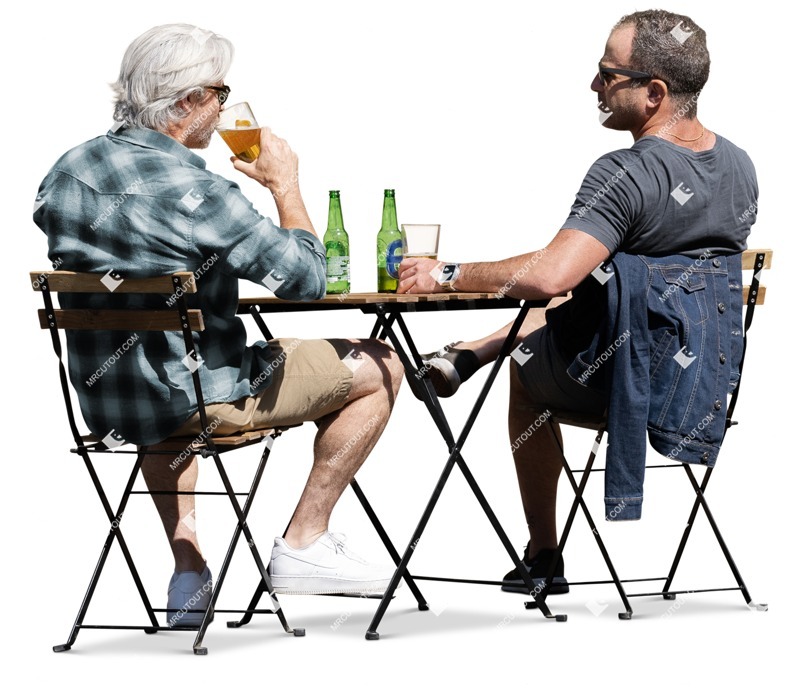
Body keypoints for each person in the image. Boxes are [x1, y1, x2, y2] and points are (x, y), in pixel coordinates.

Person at [33, 24, 404, 625]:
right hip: (202, 397)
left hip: (112, 401)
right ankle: (304, 543)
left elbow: (92, 244)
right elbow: (307, 279)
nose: (225, 105)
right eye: (219, 91)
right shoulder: (199, 192)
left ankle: (188, 573)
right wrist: (285, 183)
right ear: (186, 102)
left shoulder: (69, 169)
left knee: (169, 372)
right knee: (381, 364)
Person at [398, 9, 757, 594]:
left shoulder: (628, 171)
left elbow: (548, 273)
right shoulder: (739, 166)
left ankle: (543, 555)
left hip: (627, 382)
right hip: (702, 380)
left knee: (526, 372)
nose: (594, 86)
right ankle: (474, 351)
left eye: (608, 74)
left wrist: (448, 272)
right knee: (597, 286)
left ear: (655, 93)